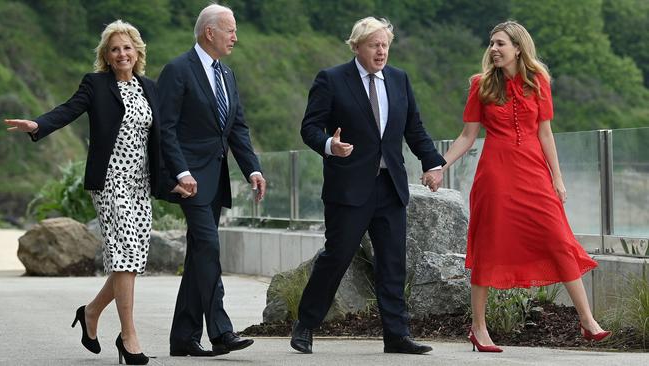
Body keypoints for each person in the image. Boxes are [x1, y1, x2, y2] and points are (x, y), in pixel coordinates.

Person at [3, 20, 182, 365]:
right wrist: (39, 124)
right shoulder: (96, 85)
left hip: (140, 184)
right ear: (106, 55)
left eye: (127, 47)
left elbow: (164, 138)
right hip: (110, 181)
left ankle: (90, 312)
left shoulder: (150, 88)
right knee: (126, 254)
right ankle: (129, 338)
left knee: (130, 261)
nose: (121, 54)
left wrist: (179, 174)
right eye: (114, 49)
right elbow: (68, 109)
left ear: (137, 51)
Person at [439, 20, 611, 352]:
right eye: (491, 43)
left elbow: (545, 133)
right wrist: (440, 166)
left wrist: (557, 178)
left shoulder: (539, 82)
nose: (493, 49)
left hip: (534, 174)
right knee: (488, 247)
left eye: (500, 43)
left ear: (518, 47)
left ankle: (588, 321)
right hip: (496, 176)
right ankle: (478, 328)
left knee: (559, 240)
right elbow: (467, 136)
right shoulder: (481, 85)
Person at [292, 17, 445, 355]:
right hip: (348, 188)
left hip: (390, 187)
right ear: (357, 46)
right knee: (337, 258)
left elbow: (414, 129)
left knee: (393, 262)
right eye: (374, 44)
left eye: (385, 44)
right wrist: (330, 146)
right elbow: (310, 127)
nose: (381, 50)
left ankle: (396, 335)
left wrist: (432, 163)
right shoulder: (331, 80)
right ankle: (305, 324)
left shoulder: (399, 79)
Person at [156, 4, 266, 358]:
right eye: (230, 30)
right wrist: (181, 172)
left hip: (216, 180)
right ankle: (221, 331)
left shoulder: (227, 74)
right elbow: (165, 129)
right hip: (189, 180)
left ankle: (182, 338)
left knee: (199, 255)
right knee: (209, 247)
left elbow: (237, 129)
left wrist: (252, 169)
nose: (235, 36)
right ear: (210, 32)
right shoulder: (177, 70)